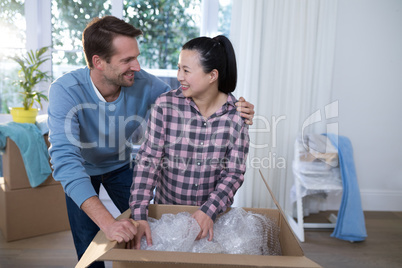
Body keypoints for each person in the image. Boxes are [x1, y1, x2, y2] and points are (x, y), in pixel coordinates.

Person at [47, 16, 254, 267]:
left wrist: (237, 106)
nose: (137, 66)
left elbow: (190, 96)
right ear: (98, 62)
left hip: (119, 166)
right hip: (80, 170)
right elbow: (65, 162)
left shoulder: (145, 84)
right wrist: (109, 223)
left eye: (136, 56)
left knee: (142, 233)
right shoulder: (65, 90)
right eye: (127, 60)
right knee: (88, 240)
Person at [129, 35, 249, 250]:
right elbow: (148, 161)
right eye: (178, 69)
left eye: (186, 70)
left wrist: (208, 210)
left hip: (212, 219)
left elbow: (233, 173)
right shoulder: (166, 105)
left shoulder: (236, 116)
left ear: (212, 75)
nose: (179, 77)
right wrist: (139, 214)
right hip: (166, 217)